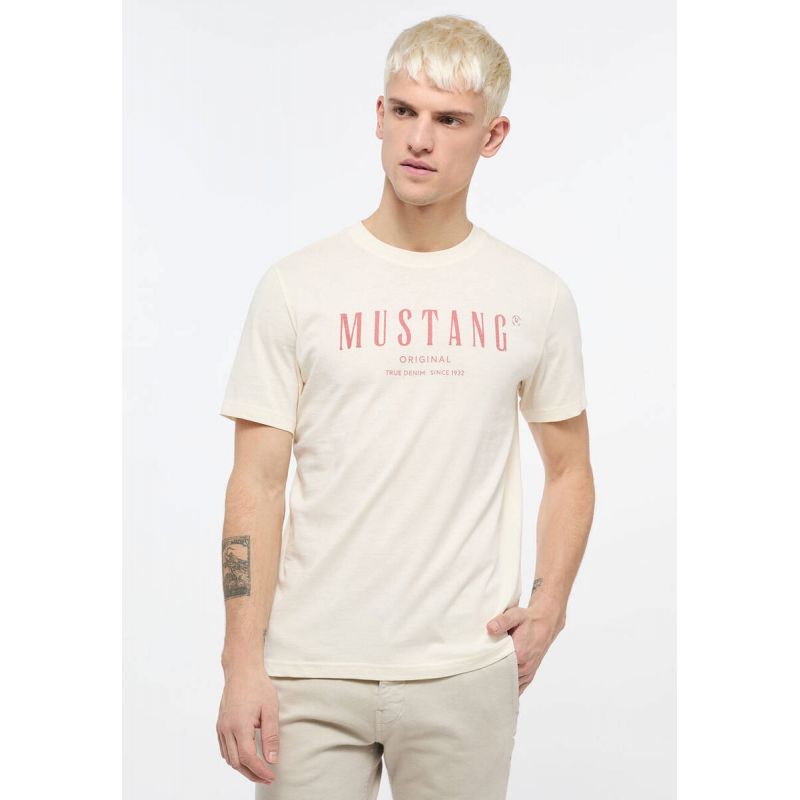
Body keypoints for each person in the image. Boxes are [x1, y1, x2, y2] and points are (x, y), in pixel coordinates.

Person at [215, 14, 595, 800]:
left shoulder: (536, 297)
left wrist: (551, 604)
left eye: (449, 120)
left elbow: (570, 470)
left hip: (463, 669)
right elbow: (256, 482)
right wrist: (241, 660)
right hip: (309, 671)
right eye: (403, 111)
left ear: (492, 136)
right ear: (379, 115)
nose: (419, 139)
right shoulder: (296, 287)